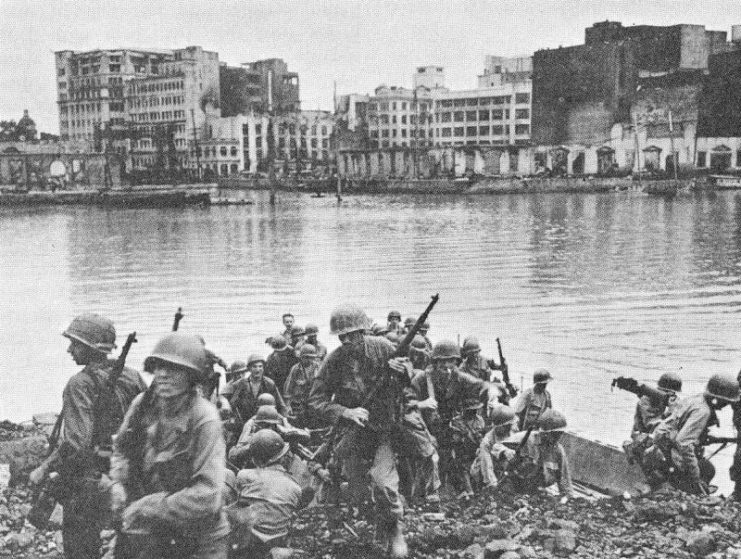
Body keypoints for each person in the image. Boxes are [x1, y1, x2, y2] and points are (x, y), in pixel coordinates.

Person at [30, 314, 145, 559]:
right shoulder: (132, 375)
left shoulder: (79, 384)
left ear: (92, 348)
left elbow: (76, 443)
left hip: (89, 477)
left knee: (80, 544)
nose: (70, 349)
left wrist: (44, 468)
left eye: (76, 344)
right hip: (127, 471)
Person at [307, 303, 414, 559]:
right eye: (342, 336)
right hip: (354, 431)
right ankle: (379, 524)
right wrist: (346, 412)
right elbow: (316, 400)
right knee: (357, 490)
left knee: (383, 483)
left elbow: (409, 375)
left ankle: (395, 528)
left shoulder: (383, 347)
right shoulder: (334, 361)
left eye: (352, 335)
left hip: (385, 429)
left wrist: (404, 371)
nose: (347, 340)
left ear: (362, 332)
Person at [110, 332, 229, 559]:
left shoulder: (204, 418)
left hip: (199, 536)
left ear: (191, 376)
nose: (162, 375)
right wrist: (118, 482)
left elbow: (208, 495)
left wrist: (147, 506)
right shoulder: (142, 405)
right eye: (158, 367)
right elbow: (121, 448)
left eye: (173, 369)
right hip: (152, 528)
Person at [410, 340, 489, 491]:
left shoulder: (457, 376)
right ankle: (421, 493)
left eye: (451, 362)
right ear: (435, 362)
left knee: (446, 456)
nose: (447, 366)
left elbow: (479, 385)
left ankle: (442, 489)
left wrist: (492, 391)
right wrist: (421, 404)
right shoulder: (422, 378)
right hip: (422, 426)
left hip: (445, 425)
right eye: (442, 362)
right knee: (426, 459)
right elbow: (403, 402)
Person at [648, 373, 740, 495]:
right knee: (707, 469)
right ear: (717, 399)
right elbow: (683, 443)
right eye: (725, 402)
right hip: (664, 453)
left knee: (703, 465)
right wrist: (695, 476)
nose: (724, 407)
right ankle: (691, 491)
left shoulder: (696, 399)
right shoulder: (703, 412)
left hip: (658, 445)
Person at [229, 430, 314, 558]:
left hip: (246, 547)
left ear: (255, 459)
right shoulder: (294, 487)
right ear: (282, 457)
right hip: (275, 547)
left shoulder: (243, 476)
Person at [623, 372, 682, 466]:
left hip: (655, 437)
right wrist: (673, 412)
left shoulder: (663, 402)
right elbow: (652, 425)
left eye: (674, 394)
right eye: (670, 394)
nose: (672, 397)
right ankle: (631, 448)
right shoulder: (646, 400)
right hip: (643, 437)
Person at [230, 354, 286, 424]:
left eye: (260, 366)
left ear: (263, 368)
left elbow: (280, 404)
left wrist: (284, 419)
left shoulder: (269, 384)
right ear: (249, 369)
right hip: (245, 421)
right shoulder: (240, 384)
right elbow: (232, 404)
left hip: (265, 421)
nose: (258, 370)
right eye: (254, 367)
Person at [471, 405, 518, 490]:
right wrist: (492, 483)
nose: (509, 428)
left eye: (510, 425)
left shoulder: (513, 431)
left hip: (506, 468)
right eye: (506, 426)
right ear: (498, 426)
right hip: (488, 470)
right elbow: (486, 465)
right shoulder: (487, 441)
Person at [448, 398, 487, 499]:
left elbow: (481, 434)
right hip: (462, 449)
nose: (473, 412)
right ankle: (468, 491)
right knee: (463, 469)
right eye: (471, 410)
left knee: (477, 468)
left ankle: (478, 490)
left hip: (476, 448)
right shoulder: (456, 421)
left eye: (475, 409)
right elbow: (455, 438)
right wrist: (463, 436)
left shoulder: (479, 420)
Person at [459, 336, 509, 405]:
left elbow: (495, 366)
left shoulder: (483, 360)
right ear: (467, 354)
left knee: (502, 388)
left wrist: (502, 366)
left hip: (487, 386)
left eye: (476, 352)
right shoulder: (463, 367)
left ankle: (506, 409)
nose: (475, 355)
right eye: (472, 353)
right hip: (473, 392)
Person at [283, 344, 319, 426]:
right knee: (298, 422)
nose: (309, 360)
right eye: (306, 357)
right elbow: (288, 387)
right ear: (301, 357)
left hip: (312, 400)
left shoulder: (317, 367)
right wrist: (288, 405)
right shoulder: (295, 369)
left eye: (311, 358)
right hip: (298, 402)